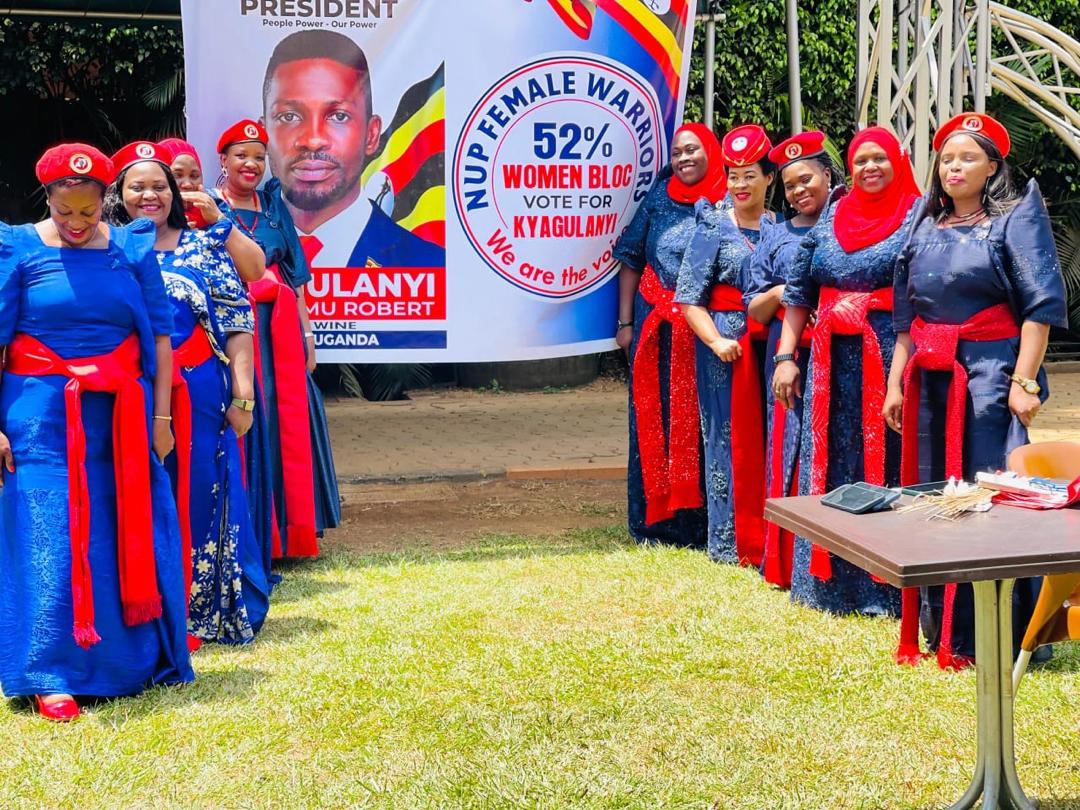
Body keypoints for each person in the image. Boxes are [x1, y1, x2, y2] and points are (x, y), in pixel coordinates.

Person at [0, 144, 193, 720]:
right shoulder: (19, 248)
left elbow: (159, 337)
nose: (77, 223)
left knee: (115, 529)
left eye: (88, 211)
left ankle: (125, 663)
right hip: (39, 418)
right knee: (49, 533)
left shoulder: (131, 249)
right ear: (47, 199)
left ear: (105, 201)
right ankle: (49, 673)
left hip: (119, 418)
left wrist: (161, 420)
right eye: (65, 212)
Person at [884, 113, 1068, 668]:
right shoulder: (922, 224)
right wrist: (895, 385)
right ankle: (943, 629)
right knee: (930, 496)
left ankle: (1002, 633)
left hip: (989, 377)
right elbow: (904, 320)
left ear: (992, 167)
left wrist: (1024, 382)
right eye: (946, 159)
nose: (954, 167)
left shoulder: (1013, 221)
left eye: (967, 157)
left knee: (989, 494)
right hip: (929, 377)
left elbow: (1039, 308)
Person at [106, 140, 270, 644]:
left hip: (197, 391)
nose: (150, 196)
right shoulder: (102, 249)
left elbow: (238, 322)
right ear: (119, 194)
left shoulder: (202, 246)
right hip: (124, 393)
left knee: (200, 492)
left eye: (160, 186)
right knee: (130, 497)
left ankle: (198, 609)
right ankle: (139, 608)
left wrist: (243, 395)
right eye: (138, 187)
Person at [772, 127, 921, 619]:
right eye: (861, 160)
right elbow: (799, 291)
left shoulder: (918, 215)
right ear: (849, 168)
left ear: (897, 162)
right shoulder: (833, 214)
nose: (870, 167)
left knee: (888, 460)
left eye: (880, 158)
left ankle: (885, 588)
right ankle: (827, 585)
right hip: (829, 362)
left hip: (889, 355)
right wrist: (786, 357)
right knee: (829, 459)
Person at [213, 120, 340, 555]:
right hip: (232, 330)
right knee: (247, 414)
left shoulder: (272, 206)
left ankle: (292, 528)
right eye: (241, 156)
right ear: (223, 160)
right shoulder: (209, 207)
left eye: (259, 157)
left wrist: (308, 334)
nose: (251, 164)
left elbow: (295, 276)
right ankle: (250, 531)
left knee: (288, 421)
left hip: (280, 332)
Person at [611, 123, 724, 546]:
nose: (683, 158)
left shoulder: (726, 199)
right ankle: (654, 522)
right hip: (654, 326)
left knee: (702, 419)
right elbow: (630, 259)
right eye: (677, 153)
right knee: (654, 415)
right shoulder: (658, 197)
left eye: (692, 150)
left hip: (706, 328)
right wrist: (625, 324)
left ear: (711, 151)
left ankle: (701, 523)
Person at [744, 131, 842, 587]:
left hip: (843, 351)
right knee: (790, 448)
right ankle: (789, 560)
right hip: (790, 355)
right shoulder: (776, 235)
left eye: (807, 179)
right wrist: (785, 292)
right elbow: (754, 308)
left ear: (828, 175)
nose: (799, 190)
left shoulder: (850, 224)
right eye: (789, 185)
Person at [675, 124, 775, 564]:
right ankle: (729, 541)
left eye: (749, 175)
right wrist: (716, 341)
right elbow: (689, 298)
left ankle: (770, 536)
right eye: (733, 176)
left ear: (769, 177)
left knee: (768, 432)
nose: (740, 184)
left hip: (770, 345)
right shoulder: (713, 225)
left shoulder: (778, 226)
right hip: (726, 348)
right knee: (725, 435)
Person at [261, 29, 443, 267]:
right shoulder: (230, 248)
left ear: (371, 135)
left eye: (338, 116)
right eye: (289, 117)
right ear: (263, 134)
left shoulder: (431, 264)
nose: (313, 140)